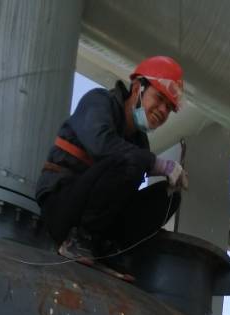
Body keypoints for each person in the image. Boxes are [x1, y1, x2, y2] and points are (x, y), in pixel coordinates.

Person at [36, 56, 188, 275]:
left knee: (168, 196)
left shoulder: (140, 142)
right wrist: (153, 162)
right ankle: (79, 240)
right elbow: (102, 144)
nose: (163, 110)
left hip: (100, 223)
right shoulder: (98, 102)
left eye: (169, 107)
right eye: (159, 98)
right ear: (137, 88)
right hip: (62, 207)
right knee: (135, 158)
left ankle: (111, 249)